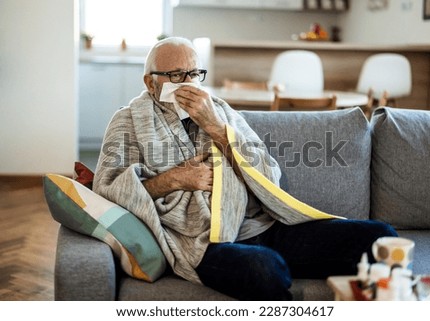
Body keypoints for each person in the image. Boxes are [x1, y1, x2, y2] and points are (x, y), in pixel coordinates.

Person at [93, 37, 398, 301]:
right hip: (200, 241)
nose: (187, 82)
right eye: (175, 75)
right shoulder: (127, 121)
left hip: (259, 224)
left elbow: (268, 173)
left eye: (194, 73)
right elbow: (107, 189)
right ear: (150, 82)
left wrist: (215, 126)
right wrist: (175, 179)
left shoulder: (220, 110)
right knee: (265, 269)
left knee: (381, 238)